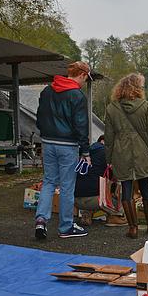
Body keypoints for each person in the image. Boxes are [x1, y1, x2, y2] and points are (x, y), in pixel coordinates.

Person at [104, 73, 148, 239]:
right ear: (136, 88)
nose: (143, 89)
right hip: (142, 152)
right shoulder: (145, 106)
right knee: (145, 188)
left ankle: (133, 228)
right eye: (142, 86)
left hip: (121, 154)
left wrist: (109, 160)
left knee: (127, 190)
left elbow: (108, 138)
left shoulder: (111, 108)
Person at [34, 61, 92, 240]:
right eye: (85, 79)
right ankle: (66, 227)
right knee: (67, 186)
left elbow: (39, 117)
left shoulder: (47, 91)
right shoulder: (77, 96)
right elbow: (81, 125)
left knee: (49, 181)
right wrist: (86, 151)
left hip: (48, 142)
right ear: (82, 75)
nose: (84, 83)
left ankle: (41, 220)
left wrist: (44, 134)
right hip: (68, 144)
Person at [74, 135, 128, 227]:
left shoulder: (85, 152)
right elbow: (117, 176)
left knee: (90, 182)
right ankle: (115, 216)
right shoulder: (106, 153)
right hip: (95, 200)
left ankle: (87, 213)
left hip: (75, 199)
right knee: (122, 187)